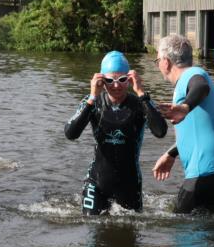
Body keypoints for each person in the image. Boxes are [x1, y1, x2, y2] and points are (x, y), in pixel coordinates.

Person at [65, 51, 167, 215]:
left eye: (122, 79)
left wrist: (141, 92)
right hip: (96, 182)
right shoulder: (93, 103)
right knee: (92, 228)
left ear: (129, 79)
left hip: (129, 183)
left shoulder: (140, 104)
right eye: (110, 80)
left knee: (130, 233)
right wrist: (92, 97)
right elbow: (70, 134)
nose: (116, 85)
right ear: (101, 80)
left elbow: (161, 131)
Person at [152, 34, 214, 214]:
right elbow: (198, 129)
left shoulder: (192, 74)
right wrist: (171, 154)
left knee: (181, 228)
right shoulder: (190, 80)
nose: (158, 65)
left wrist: (185, 107)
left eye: (157, 60)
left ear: (166, 62)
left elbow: (200, 86)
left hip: (206, 171)